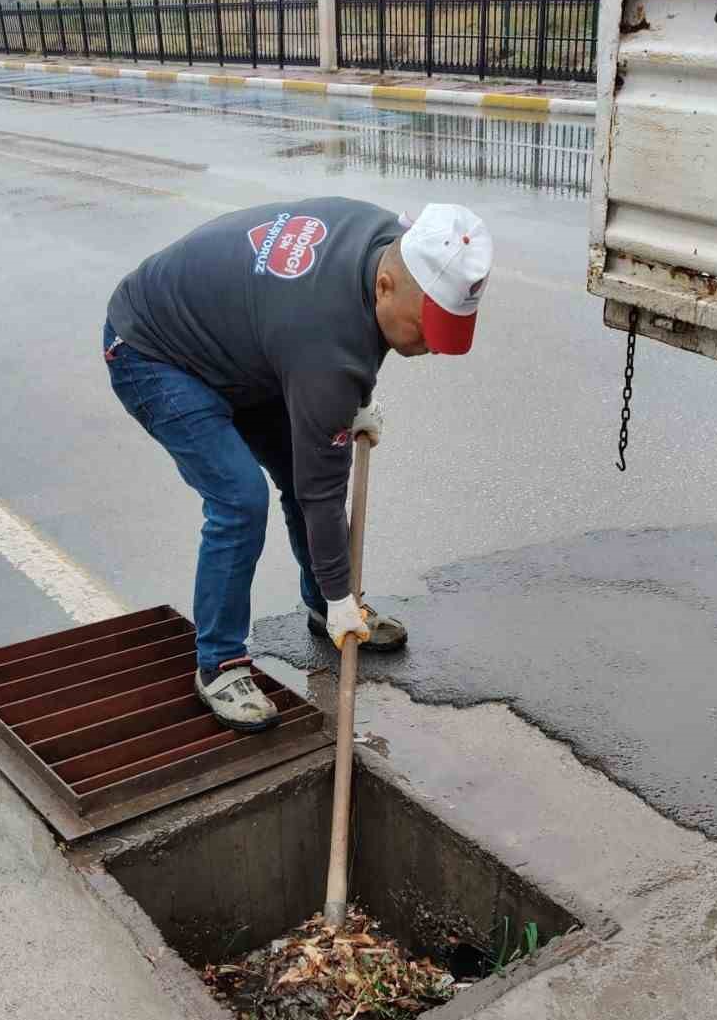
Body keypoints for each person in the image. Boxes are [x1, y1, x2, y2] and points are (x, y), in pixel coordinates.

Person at [104, 197, 492, 732]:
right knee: (240, 500)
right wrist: (342, 593)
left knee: (293, 468)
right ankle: (219, 663)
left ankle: (324, 607)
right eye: (425, 328)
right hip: (153, 350)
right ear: (386, 286)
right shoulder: (326, 344)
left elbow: (353, 342)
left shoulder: (383, 243)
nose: (432, 347)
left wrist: (349, 404)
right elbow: (323, 490)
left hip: (249, 347)